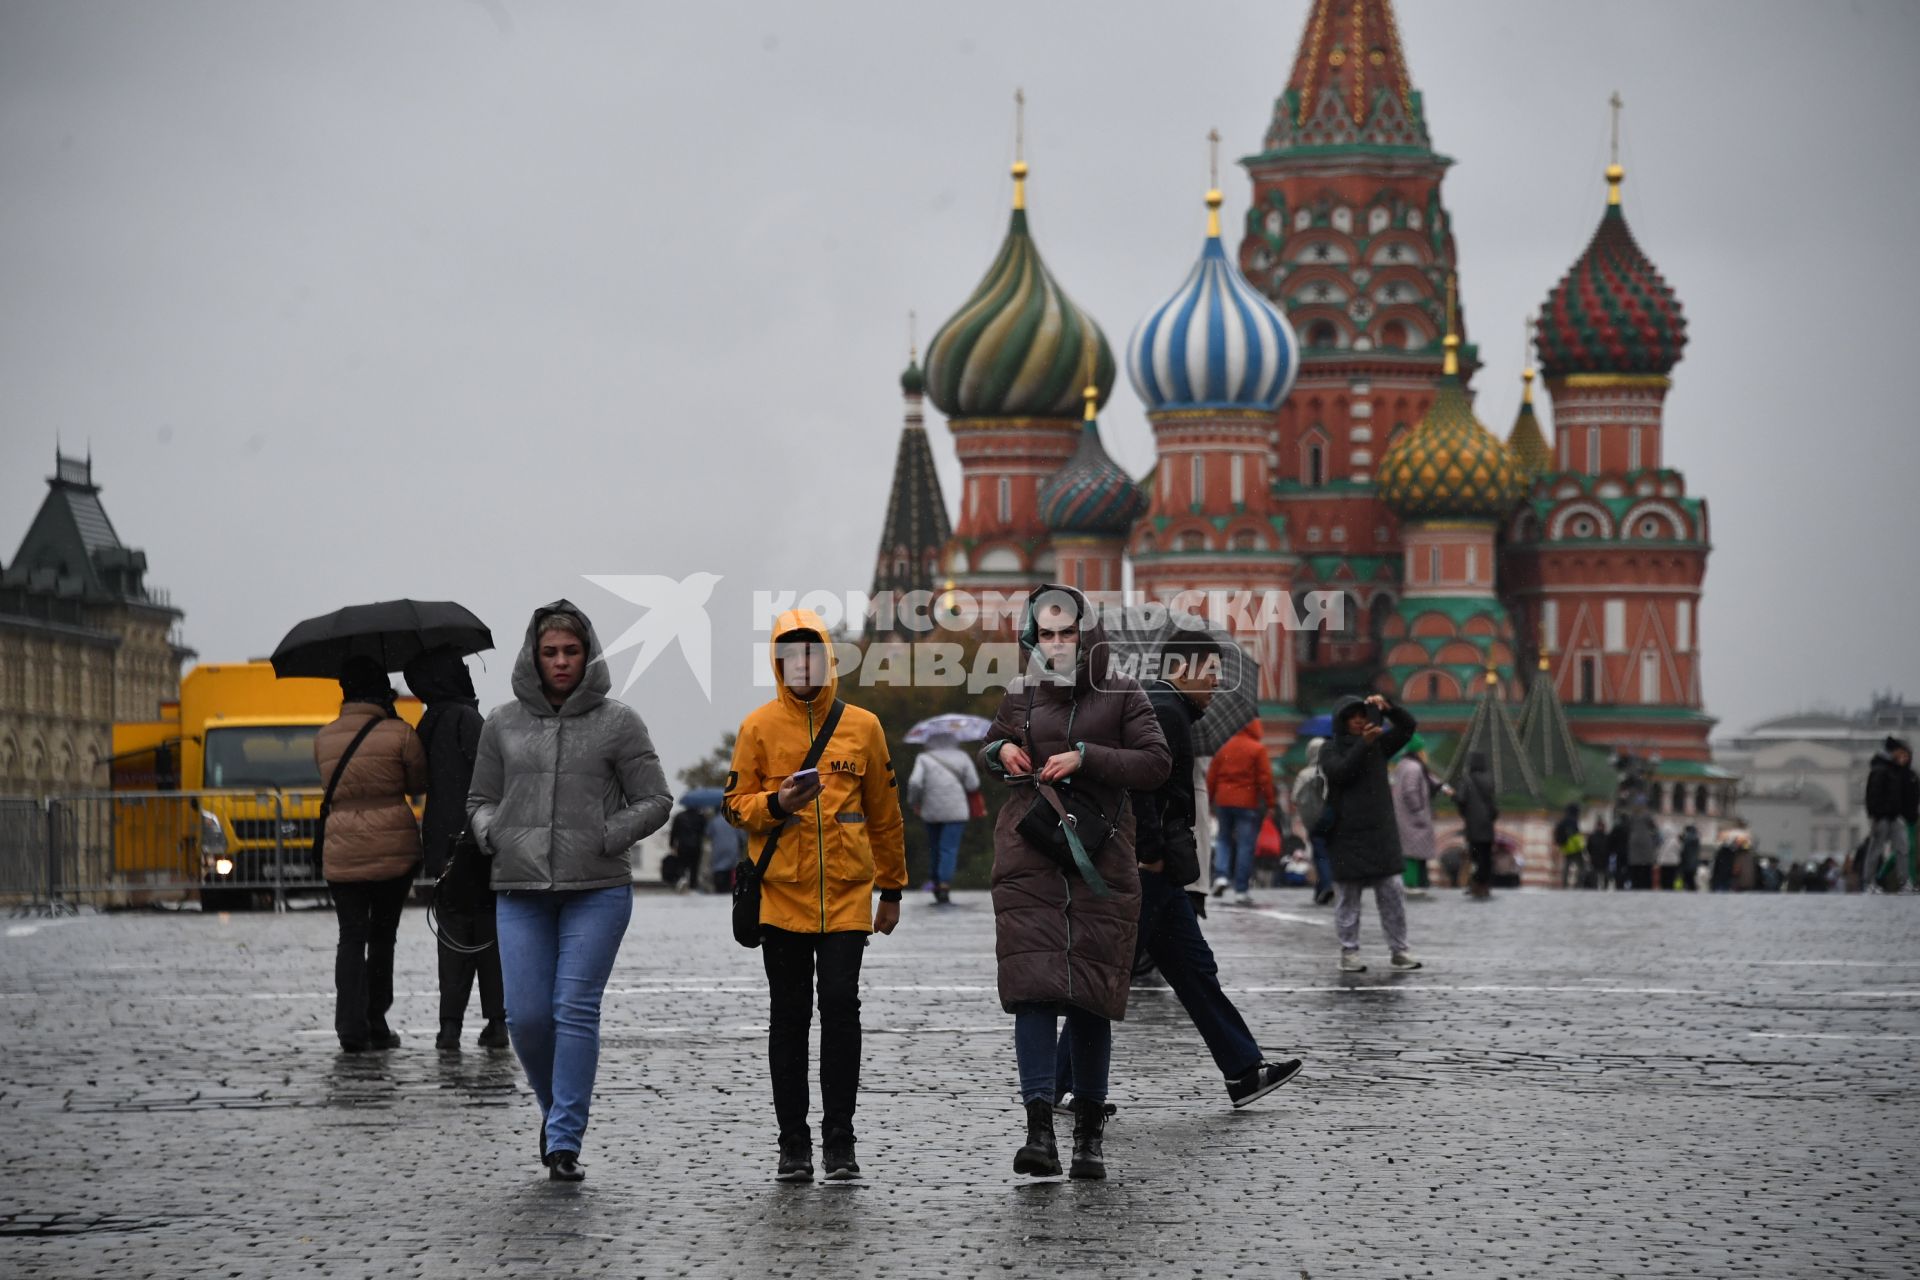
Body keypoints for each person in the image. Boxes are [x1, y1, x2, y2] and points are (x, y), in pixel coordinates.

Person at [467, 601, 672, 1183]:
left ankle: (563, 1142)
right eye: (550, 652)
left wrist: (608, 834)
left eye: (571, 651)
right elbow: (478, 800)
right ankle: (556, 1112)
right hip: (519, 887)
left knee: (573, 1009)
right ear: (534, 655)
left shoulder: (619, 721)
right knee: (527, 1018)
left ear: (589, 655)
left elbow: (655, 798)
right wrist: (494, 833)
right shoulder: (501, 723)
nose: (560, 662)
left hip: (597, 888)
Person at [1056, 632, 1302, 1116]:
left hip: (1163, 873)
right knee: (1109, 975)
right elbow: (1143, 787)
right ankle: (1061, 1086)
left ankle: (1243, 1071)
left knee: (1194, 971)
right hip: (1148, 868)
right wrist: (1150, 853)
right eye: (1210, 671)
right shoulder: (1165, 712)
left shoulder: (1166, 708)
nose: (1215, 682)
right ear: (1184, 668)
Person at [980, 585, 1170, 1180]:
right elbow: (990, 743)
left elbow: (1156, 762)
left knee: (1091, 995)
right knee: (1032, 990)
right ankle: (1040, 1130)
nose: (1056, 644)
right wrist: (1004, 750)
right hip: (1030, 854)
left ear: (1087, 634)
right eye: (1046, 634)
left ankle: (1088, 1135)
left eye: (1067, 633)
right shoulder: (1022, 693)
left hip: (1101, 860)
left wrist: (1087, 756)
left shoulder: (1123, 690)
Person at [724, 608, 906, 1184]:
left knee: (842, 1009)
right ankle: (793, 1144)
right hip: (781, 895)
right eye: (789, 657)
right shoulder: (757, 727)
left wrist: (893, 889)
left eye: (811, 655)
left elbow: (885, 814)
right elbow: (734, 805)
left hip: (849, 895)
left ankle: (840, 1141)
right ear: (778, 665)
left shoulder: (865, 727)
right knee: (789, 1017)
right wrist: (776, 804)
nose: (801, 666)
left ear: (827, 660)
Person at [317, 656, 427, 1053]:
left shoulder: (325, 737)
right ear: (382, 692)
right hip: (392, 848)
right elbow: (417, 783)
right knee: (383, 935)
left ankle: (349, 1026)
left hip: (341, 848)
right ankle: (376, 1021)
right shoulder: (399, 733)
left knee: (350, 935)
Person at [404, 646, 506, 1053]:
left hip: (441, 845)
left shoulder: (428, 721)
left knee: (451, 939)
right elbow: (491, 773)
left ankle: (449, 1027)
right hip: (475, 842)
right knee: (487, 937)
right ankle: (497, 1022)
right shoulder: (466, 718)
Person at [1320, 694, 1421, 972]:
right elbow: (1340, 773)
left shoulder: (1379, 745)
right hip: (1346, 833)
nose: (1357, 721)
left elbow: (1408, 728)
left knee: (1392, 893)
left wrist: (1390, 710)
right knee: (1348, 898)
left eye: (1362, 715)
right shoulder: (1329, 749)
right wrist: (1362, 745)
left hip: (1380, 833)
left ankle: (1399, 949)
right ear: (1341, 721)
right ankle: (1349, 951)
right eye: (1351, 717)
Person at [1207, 720, 1275, 907]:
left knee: (1223, 839)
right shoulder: (1256, 748)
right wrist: (1270, 801)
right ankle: (1241, 890)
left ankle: (1221, 876)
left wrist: (1209, 800)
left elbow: (1212, 775)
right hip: (1247, 801)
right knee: (1246, 845)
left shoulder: (1222, 746)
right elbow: (1264, 777)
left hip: (1223, 800)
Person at [907, 732, 978, 904]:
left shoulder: (924, 757)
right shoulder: (962, 756)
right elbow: (973, 784)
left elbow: (915, 782)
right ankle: (944, 884)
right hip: (956, 810)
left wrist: (913, 801)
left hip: (931, 809)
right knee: (949, 848)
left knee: (935, 847)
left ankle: (935, 882)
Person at [1390, 736, 1446, 894]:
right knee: (1413, 853)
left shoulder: (1403, 765)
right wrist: (1420, 812)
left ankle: (1418, 883)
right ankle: (1411, 884)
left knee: (1412, 851)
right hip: (1413, 819)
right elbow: (1410, 791)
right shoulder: (1414, 767)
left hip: (1405, 817)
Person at [1863, 736, 1918, 893]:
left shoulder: (1894, 770)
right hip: (1882, 816)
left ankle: (1905, 882)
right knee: (1876, 848)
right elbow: (1873, 794)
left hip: (1894, 816)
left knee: (1903, 847)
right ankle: (1869, 882)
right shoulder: (1881, 769)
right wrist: (1876, 813)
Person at [1291, 738, 1335, 904]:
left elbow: (1295, 797)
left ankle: (1325, 886)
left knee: (1320, 854)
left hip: (1314, 820)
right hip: (1333, 817)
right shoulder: (1332, 769)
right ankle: (1323, 888)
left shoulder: (1305, 774)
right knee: (1331, 853)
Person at [1457, 751, 1498, 901]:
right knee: (1486, 856)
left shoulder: (1467, 780)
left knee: (1475, 855)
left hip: (1473, 824)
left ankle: (1476, 884)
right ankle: (1485, 885)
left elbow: (1461, 799)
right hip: (1487, 824)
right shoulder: (1489, 779)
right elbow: (1492, 800)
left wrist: (1465, 813)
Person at [666, 803, 707, 892]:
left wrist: (672, 844)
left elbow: (674, 832)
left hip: (683, 846)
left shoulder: (679, 816)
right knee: (694, 867)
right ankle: (693, 885)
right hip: (696, 846)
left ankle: (682, 881)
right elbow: (704, 831)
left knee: (682, 865)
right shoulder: (700, 817)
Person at [706, 807, 743, 894]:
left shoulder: (714, 821)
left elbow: (708, 833)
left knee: (719, 867)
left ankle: (719, 887)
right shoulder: (733, 820)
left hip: (718, 847)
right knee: (731, 866)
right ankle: (730, 886)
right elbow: (742, 836)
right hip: (732, 847)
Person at [1626, 809, 1660, 890]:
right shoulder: (1648, 821)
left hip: (1634, 845)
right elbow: (1655, 830)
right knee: (1646, 870)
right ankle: (1646, 886)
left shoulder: (1632, 820)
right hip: (1646, 846)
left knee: (1635, 870)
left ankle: (1635, 885)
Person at [1553, 804, 1584, 889]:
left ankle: (1564, 884)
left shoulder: (1562, 821)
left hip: (1566, 847)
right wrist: (1581, 846)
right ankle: (1578, 884)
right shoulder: (1573, 821)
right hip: (1575, 846)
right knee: (1581, 866)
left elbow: (1557, 833)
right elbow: (1576, 835)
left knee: (1567, 865)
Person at [1587, 816, 1611, 890]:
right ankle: (1600, 888)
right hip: (1601, 859)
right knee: (1599, 875)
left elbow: (1588, 848)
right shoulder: (1607, 836)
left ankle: (1598, 888)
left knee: (1599, 875)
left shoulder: (1592, 836)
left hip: (1599, 858)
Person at [1678, 823, 1702, 892]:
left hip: (1688, 862)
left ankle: (1692, 891)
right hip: (1692, 863)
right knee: (1690, 879)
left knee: (1688, 879)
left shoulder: (1689, 837)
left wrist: (1682, 838)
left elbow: (1684, 851)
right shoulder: (1695, 837)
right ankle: (1692, 891)